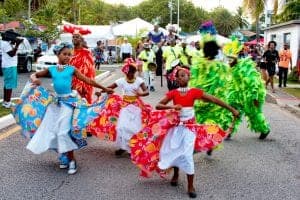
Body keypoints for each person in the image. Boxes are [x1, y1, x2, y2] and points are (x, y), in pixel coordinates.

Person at [130, 67, 239, 198]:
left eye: (183, 75)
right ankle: (176, 174)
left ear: (189, 77)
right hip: (175, 128)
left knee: (187, 154)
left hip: (189, 129)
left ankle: (190, 185)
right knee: (175, 151)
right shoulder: (174, 93)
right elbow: (159, 105)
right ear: (176, 80)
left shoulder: (194, 92)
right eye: (178, 76)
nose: (181, 77)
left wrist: (231, 109)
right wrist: (172, 106)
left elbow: (214, 99)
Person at [18, 42, 113, 175]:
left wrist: (105, 88)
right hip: (56, 104)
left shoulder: (72, 69)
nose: (67, 57)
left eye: (69, 55)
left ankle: (72, 160)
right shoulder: (51, 69)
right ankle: (63, 156)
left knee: (63, 132)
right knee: (54, 131)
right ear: (58, 54)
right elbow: (34, 75)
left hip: (69, 103)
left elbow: (89, 80)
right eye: (64, 54)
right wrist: (34, 79)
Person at [88, 58, 152, 156]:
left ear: (135, 72)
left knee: (134, 128)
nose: (130, 74)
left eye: (132, 72)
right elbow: (109, 87)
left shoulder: (139, 80)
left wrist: (141, 94)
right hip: (125, 107)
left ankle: (133, 147)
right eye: (128, 73)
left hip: (136, 107)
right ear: (125, 73)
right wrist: (100, 92)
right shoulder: (121, 81)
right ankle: (124, 147)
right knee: (121, 127)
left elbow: (146, 91)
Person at [223, 38, 271, 140]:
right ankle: (228, 131)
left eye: (231, 59)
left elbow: (253, 82)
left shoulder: (244, 65)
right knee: (231, 111)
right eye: (227, 59)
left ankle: (264, 129)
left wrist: (254, 97)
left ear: (236, 57)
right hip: (236, 94)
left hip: (248, 94)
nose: (229, 62)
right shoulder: (231, 67)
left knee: (253, 113)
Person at [69, 30, 96, 104]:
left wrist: (84, 85)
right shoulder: (69, 52)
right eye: (73, 37)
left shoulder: (86, 52)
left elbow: (91, 71)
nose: (74, 38)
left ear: (81, 39)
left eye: (77, 37)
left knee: (84, 105)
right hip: (71, 84)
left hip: (84, 83)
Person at [1, 31, 23, 108]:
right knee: (9, 85)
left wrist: (15, 43)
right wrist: (17, 44)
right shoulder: (5, 44)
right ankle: (7, 102)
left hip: (9, 65)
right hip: (9, 66)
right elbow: (12, 54)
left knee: (7, 84)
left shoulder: (6, 43)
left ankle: (5, 101)